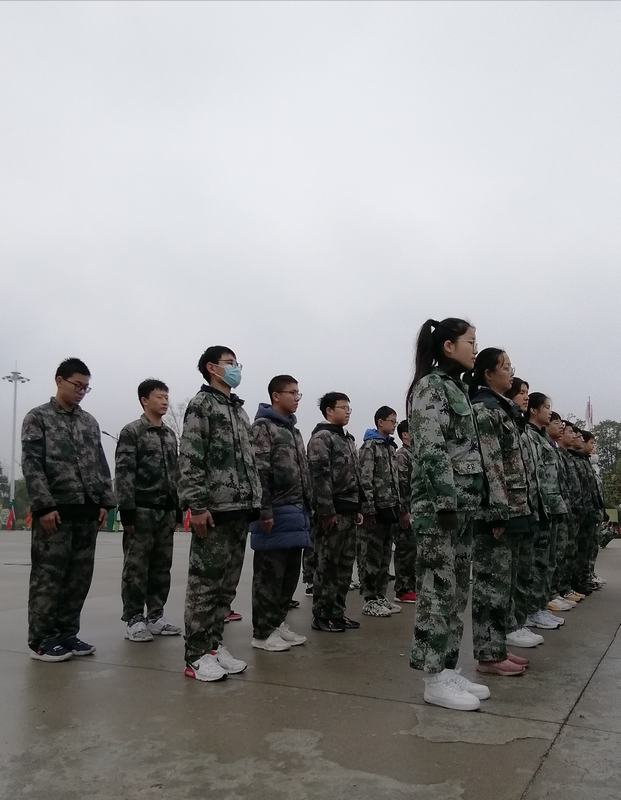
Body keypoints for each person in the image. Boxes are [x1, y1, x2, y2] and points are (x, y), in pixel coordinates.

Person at [407, 318, 489, 711]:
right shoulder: (430, 387)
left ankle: (448, 666)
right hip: (440, 509)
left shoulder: (457, 387)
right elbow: (431, 448)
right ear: (448, 347)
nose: (475, 348)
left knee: (456, 593)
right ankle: (433, 679)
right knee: (437, 591)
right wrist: (445, 502)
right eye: (470, 341)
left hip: (461, 507)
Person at [22, 357, 116, 662]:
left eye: (86, 387)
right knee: (49, 577)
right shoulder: (38, 417)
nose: (81, 391)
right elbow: (32, 464)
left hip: (87, 511)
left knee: (78, 578)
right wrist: (44, 505)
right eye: (77, 385)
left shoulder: (89, 422)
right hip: (56, 511)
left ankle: (66, 633)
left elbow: (100, 463)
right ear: (59, 380)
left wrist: (104, 502)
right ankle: (42, 640)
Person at [179, 346, 262, 683]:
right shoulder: (202, 405)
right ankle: (196, 655)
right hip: (213, 510)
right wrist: (197, 506)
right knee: (204, 586)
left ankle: (213, 646)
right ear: (212, 368)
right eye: (230, 363)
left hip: (239, 510)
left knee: (225, 588)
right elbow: (191, 457)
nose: (236, 368)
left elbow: (249, 461)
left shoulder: (238, 410)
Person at [467, 349, 531, 677]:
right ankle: (488, 656)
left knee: (503, 584)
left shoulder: (501, 408)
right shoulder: (484, 409)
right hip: (496, 512)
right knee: (490, 585)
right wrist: (496, 511)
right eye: (505, 367)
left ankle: (498, 647)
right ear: (488, 374)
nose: (510, 373)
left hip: (510, 508)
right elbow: (490, 464)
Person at [115, 378, 182, 643]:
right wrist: (127, 510)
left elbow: (175, 474)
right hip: (141, 510)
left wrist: (177, 507)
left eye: (166, 396)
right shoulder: (132, 432)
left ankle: (156, 616)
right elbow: (124, 472)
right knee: (136, 567)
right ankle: (134, 618)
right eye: (159, 397)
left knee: (161, 567)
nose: (164, 401)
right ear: (144, 400)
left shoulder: (169, 435)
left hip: (165, 511)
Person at [250, 375, 312, 652]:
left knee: (288, 576)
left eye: (299, 393)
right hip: (275, 511)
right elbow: (260, 470)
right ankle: (262, 633)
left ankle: (277, 623)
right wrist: (265, 510)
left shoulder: (293, 431)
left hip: (296, 512)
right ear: (276, 396)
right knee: (269, 576)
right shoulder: (263, 427)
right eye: (292, 393)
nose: (297, 398)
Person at [307, 392, 364, 633]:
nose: (348, 411)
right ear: (329, 411)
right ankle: (322, 615)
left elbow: (355, 475)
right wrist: (326, 511)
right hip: (333, 512)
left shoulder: (347, 438)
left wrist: (359, 506)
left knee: (344, 566)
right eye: (343, 407)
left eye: (349, 407)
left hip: (349, 510)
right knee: (328, 565)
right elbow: (319, 477)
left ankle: (337, 613)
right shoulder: (322, 438)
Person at [503, 378, 544, 649]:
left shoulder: (522, 429)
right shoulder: (501, 419)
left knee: (524, 569)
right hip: (508, 508)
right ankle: (510, 625)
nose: (525, 397)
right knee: (507, 574)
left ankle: (521, 618)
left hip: (526, 506)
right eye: (521, 392)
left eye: (528, 393)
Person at [524, 393, 566, 630]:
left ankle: (540, 606)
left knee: (547, 561)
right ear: (534, 410)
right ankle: (533, 610)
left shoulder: (542, 438)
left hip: (551, 506)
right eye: (546, 407)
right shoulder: (529, 436)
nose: (550, 412)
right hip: (540, 505)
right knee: (537, 562)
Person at [358, 406, 402, 617]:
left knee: (385, 556)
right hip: (375, 510)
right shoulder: (370, 447)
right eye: (391, 421)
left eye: (395, 421)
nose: (394, 425)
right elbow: (365, 479)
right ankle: (369, 599)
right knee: (371, 557)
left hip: (389, 509)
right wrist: (368, 509)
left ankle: (380, 595)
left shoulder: (390, 447)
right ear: (380, 422)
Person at [394, 420, 417, 603]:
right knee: (405, 550)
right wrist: (403, 510)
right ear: (405, 435)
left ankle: (411, 586)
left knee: (413, 549)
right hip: (406, 509)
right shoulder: (402, 455)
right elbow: (401, 484)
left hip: (416, 508)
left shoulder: (415, 453)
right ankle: (403, 589)